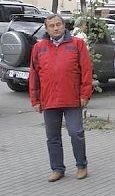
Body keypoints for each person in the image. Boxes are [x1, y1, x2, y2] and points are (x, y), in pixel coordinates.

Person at [29, 14, 93, 182]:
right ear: (47, 28)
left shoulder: (77, 44)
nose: (56, 28)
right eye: (52, 25)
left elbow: (86, 71)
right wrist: (35, 99)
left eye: (58, 24)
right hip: (49, 100)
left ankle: (81, 165)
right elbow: (34, 75)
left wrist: (85, 94)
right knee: (52, 137)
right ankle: (57, 169)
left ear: (64, 26)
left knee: (76, 133)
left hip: (72, 99)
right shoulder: (39, 48)